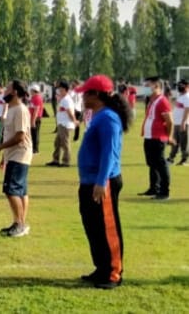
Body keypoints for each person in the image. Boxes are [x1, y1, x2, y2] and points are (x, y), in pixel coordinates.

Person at [74, 74, 128, 289]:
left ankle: (113, 273)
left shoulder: (108, 118)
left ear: (96, 95)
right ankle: (101, 268)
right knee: (93, 227)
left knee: (107, 228)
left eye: (86, 93)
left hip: (101, 182)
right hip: (89, 181)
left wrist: (101, 181)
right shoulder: (97, 115)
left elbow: (110, 152)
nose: (83, 97)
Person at [0, 80, 32, 236]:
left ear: (14, 92)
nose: (4, 91)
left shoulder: (19, 109)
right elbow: (11, 134)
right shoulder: (12, 109)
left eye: (7, 89)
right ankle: (19, 223)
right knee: (20, 191)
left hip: (19, 154)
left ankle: (19, 224)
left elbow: (20, 136)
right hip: (14, 155)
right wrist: (3, 156)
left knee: (11, 190)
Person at [138, 77, 174, 200]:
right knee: (152, 164)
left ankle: (164, 191)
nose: (145, 88)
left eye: (148, 85)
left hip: (158, 138)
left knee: (161, 164)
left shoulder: (162, 101)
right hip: (149, 137)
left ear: (156, 86)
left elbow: (169, 121)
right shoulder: (152, 101)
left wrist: (169, 136)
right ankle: (154, 188)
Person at [46, 80, 77, 167]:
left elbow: (70, 112)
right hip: (62, 124)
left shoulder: (66, 100)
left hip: (65, 124)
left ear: (65, 89)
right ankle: (56, 160)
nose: (59, 90)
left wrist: (74, 121)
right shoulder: (63, 99)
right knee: (57, 142)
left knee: (65, 143)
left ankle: (66, 161)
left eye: (60, 89)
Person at [167, 80, 189, 166]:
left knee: (183, 143)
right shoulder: (181, 96)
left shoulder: (187, 97)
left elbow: (187, 110)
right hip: (176, 123)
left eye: (181, 85)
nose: (179, 87)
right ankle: (171, 158)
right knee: (174, 141)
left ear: (187, 86)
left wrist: (183, 122)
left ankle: (184, 160)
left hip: (182, 123)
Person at [28, 84, 44, 154]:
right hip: (32, 118)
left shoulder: (37, 98)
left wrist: (33, 121)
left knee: (35, 134)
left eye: (31, 90)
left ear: (34, 91)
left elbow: (36, 111)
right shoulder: (33, 98)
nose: (30, 92)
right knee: (32, 134)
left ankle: (35, 149)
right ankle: (33, 148)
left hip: (36, 119)